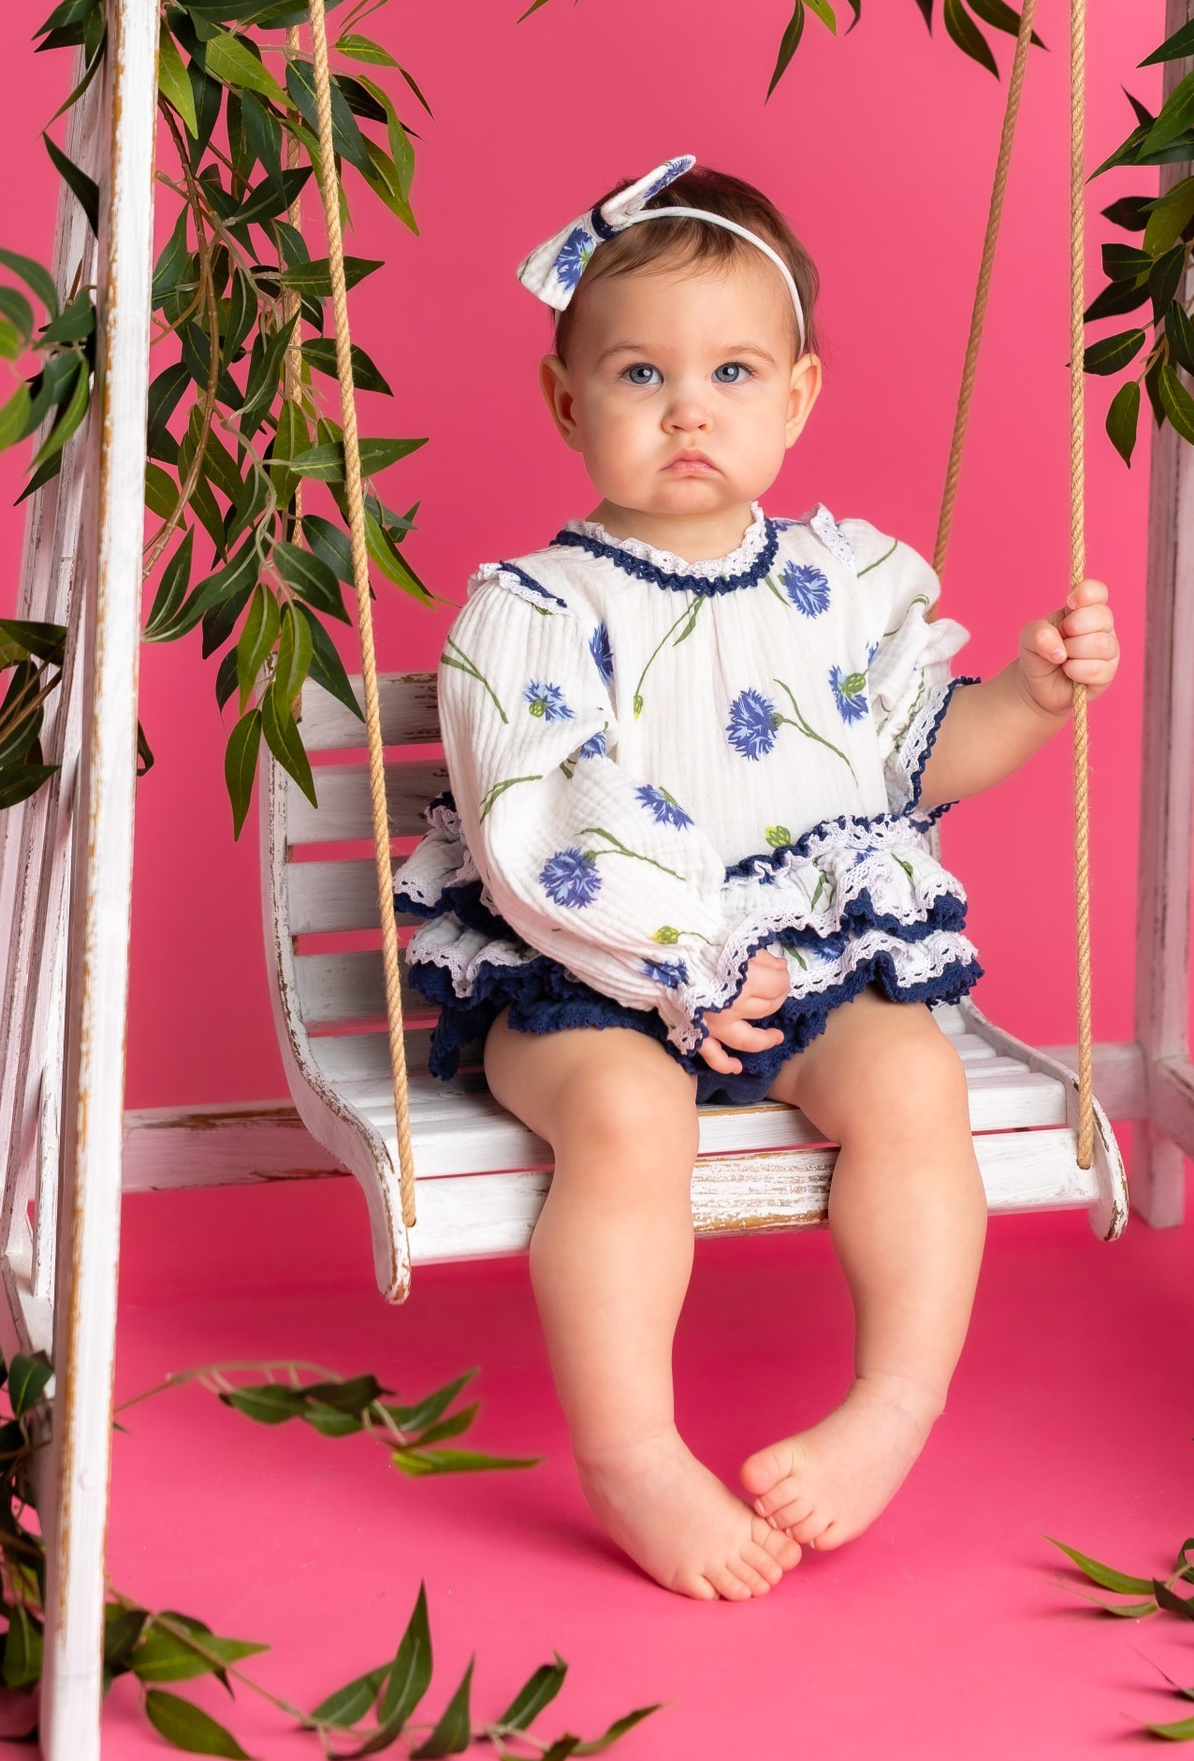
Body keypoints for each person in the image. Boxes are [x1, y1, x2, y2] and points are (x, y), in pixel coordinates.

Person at [397, 156, 1120, 1601]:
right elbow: (537, 835)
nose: (689, 410)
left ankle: (890, 1406)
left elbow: (917, 758)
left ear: (795, 398)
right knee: (628, 1118)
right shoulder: (535, 612)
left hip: (804, 965)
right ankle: (632, 1455)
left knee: (913, 1079)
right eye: (641, 374)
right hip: (592, 979)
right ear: (566, 403)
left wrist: (1031, 701)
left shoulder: (840, 588)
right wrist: (688, 960)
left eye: (731, 373)